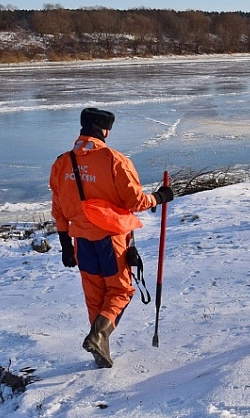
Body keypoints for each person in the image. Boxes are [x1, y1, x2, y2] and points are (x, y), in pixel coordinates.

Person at [49, 107, 174, 368]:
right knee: (120, 290)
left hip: (80, 240)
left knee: (94, 295)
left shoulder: (62, 162)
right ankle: (99, 336)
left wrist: (64, 245)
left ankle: (101, 345)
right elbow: (135, 201)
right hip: (111, 238)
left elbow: (58, 208)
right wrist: (160, 197)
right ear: (105, 131)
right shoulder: (113, 159)